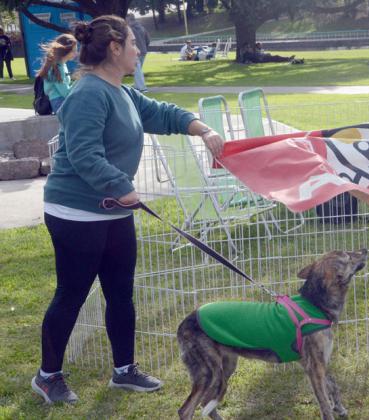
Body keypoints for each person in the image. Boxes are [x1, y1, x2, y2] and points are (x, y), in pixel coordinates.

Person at [33, 15, 224, 405]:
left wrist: (202, 128)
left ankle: (124, 370)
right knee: (71, 294)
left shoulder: (121, 90)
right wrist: (122, 188)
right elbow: (86, 155)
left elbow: (161, 113)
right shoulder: (88, 93)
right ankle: (47, 375)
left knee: (121, 293)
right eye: (134, 44)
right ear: (115, 48)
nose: (139, 51)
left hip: (113, 210)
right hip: (76, 213)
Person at [37, 34, 78, 113]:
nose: (76, 53)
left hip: (61, 102)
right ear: (65, 50)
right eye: (73, 51)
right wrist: (80, 81)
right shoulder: (57, 68)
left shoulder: (62, 65)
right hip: (59, 103)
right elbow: (66, 93)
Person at [126, 14, 150, 92]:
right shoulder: (142, 28)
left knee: (137, 70)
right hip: (144, 51)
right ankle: (137, 86)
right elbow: (148, 40)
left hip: (136, 51)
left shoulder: (129, 29)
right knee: (138, 70)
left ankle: (142, 88)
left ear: (129, 19)